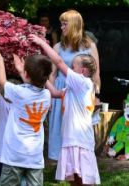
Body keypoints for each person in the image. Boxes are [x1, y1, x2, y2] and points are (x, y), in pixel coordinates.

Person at [29, 33, 100, 185]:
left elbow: (59, 62)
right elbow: (54, 93)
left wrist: (42, 44)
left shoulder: (83, 83)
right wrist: (42, 76)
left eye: (73, 66)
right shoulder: (73, 88)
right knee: (74, 180)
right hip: (70, 140)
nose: (69, 69)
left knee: (85, 180)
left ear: (82, 71)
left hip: (79, 140)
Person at [0, 48, 52, 186]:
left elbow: (2, 81)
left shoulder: (19, 92)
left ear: (26, 74)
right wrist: (21, 70)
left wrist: (0, 59)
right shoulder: (46, 95)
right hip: (35, 157)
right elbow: (34, 82)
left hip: (14, 155)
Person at [47, 10, 100, 161]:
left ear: (74, 25)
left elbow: (96, 74)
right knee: (60, 126)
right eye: (61, 24)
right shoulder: (58, 47)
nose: (61, 27)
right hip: (62, 89)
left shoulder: (90, 46)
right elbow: (52, 73)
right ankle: (62, 163)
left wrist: (96, 96)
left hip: (82, 93)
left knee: (79, 126)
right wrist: (50, 96)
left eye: (64, 24)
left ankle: (79, 162)